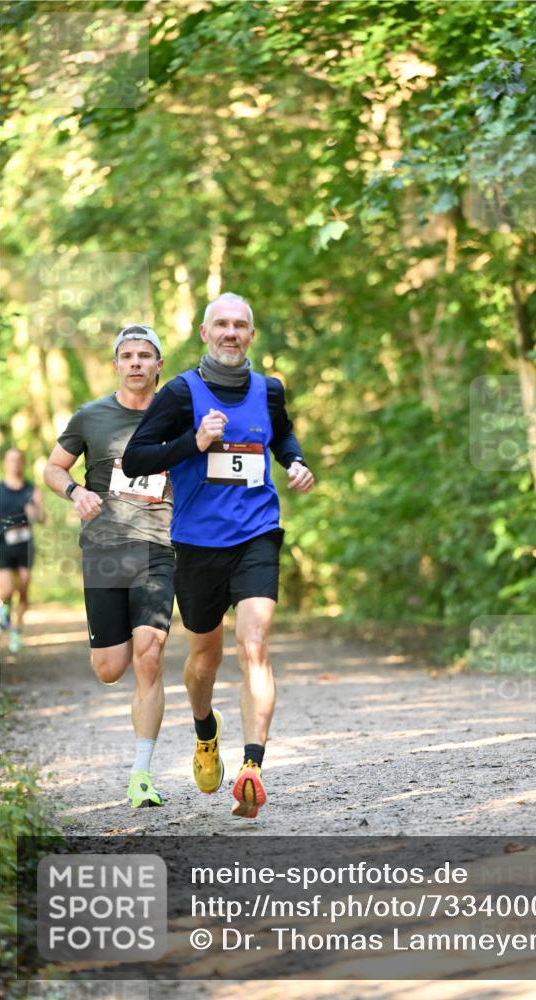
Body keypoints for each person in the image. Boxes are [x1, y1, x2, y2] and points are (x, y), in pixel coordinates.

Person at [123, 292, 314, 819]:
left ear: (251, 335)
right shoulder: (182, 393)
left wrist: (295, 463)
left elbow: (284, 438)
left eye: (241, 325)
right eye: (222, 325)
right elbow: (138, 458)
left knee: (254, 644)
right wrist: (194, 442)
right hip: (197, 544)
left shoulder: (269, 391)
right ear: (205, 334)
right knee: (204, 660)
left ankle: (252, 767)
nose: (232, 333)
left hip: (257, 535)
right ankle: (206, 731)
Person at [43, 326, 175, 809]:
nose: (136, 362)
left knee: (150, 655)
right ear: (116, 364)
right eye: (127, 355)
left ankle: (141, 773)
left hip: (158, 546)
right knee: (110, 668)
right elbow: (53, 468)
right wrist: (75, 492)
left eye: (145, 355)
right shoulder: (91, 416)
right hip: (104, 549)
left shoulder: (178, 414)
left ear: (159, 364)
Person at [0, 448, 45, 653]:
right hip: (2, 545)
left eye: (18, 460)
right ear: (4, 464)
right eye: (11, 460)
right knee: (6, 589)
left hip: (25, 545)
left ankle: (16, 630)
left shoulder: (31, 490)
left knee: (23, 590)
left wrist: (34, 510)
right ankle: (4, 611)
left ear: (23, 464)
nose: (14, 464)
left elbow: (42, 518)